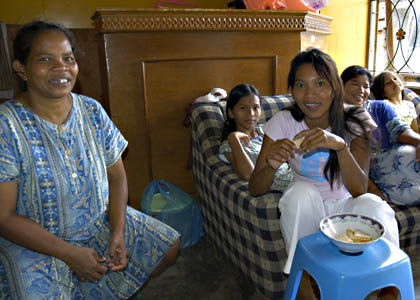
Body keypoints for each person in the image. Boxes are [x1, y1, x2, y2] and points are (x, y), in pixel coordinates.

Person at [0, 20, 180, 299]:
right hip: (35, 241)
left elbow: (117, 176)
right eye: (45, 59)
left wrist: (117, 232)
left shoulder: (91, 110)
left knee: (168, 247)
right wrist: (69, 254)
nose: (61, 67)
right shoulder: (6, 125)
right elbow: (3, 217)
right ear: (21, 68)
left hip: (98, 222)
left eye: (67, 58)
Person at [248, 48, 400, 300]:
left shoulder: (355, 118)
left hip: (348, 205)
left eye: (320, 83)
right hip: (309, 210)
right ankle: (303, 283)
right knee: (298, 193)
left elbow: (359, 189)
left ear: (334, 87)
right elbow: (255, 187)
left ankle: (389, 287)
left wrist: (340, 145)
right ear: (292, 89)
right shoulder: (283, 121)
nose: (310, 94)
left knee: (375, 204)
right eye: (300, 85)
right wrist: (271, 165)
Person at [342, 65, 420, 206]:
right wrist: (374, 190)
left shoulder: (379, 107)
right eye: (355, 84)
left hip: (404, 159)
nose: (361, 90)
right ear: (341, 86)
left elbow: (400, 130)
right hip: (378, 172)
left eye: (366, 86)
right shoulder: (337, 116)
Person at [219, 83, 293, 191]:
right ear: (231, 113)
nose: (251, 113)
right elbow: (248, 175)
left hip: (299, 175)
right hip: (288, 186)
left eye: (255, 108)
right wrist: (233, 138)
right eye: (243, 108)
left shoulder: (266, 130)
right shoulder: (229, 145)